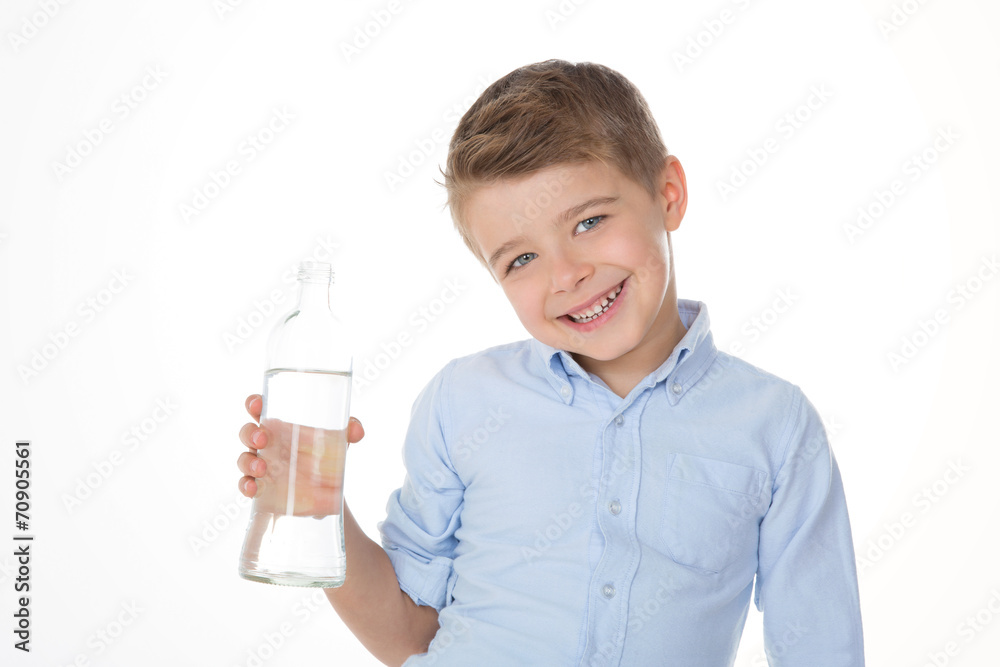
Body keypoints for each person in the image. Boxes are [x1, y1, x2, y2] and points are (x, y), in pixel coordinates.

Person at [237, 59, 865, 666]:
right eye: (521, 259)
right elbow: (409, 632)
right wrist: (314, 503)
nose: (567, 275)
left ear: (667, 194)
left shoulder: (776, 427)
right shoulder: (463, 400)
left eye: (589, 221)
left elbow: (820, 648)